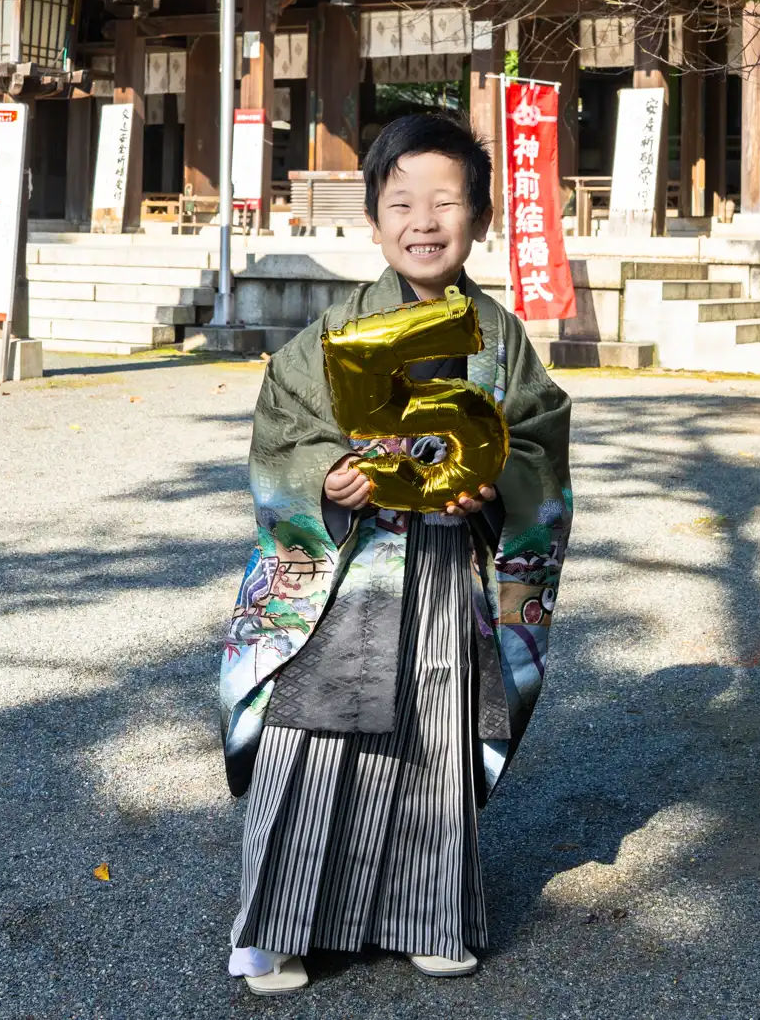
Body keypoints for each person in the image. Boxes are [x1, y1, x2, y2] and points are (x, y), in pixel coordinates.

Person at [220, 114, 573, 994]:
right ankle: (276, 924)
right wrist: (326, 475)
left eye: (446, 201)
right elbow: (282, 432)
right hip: (348, 581)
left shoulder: (501, 336)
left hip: (452, 575)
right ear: (373, 220)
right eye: (401, 200)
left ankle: (429, 912)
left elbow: (537, 440)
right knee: (313, 742)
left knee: (435, 741)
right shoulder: (330, 333)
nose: (424, 219)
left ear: (480, 218)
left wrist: (497, 488)